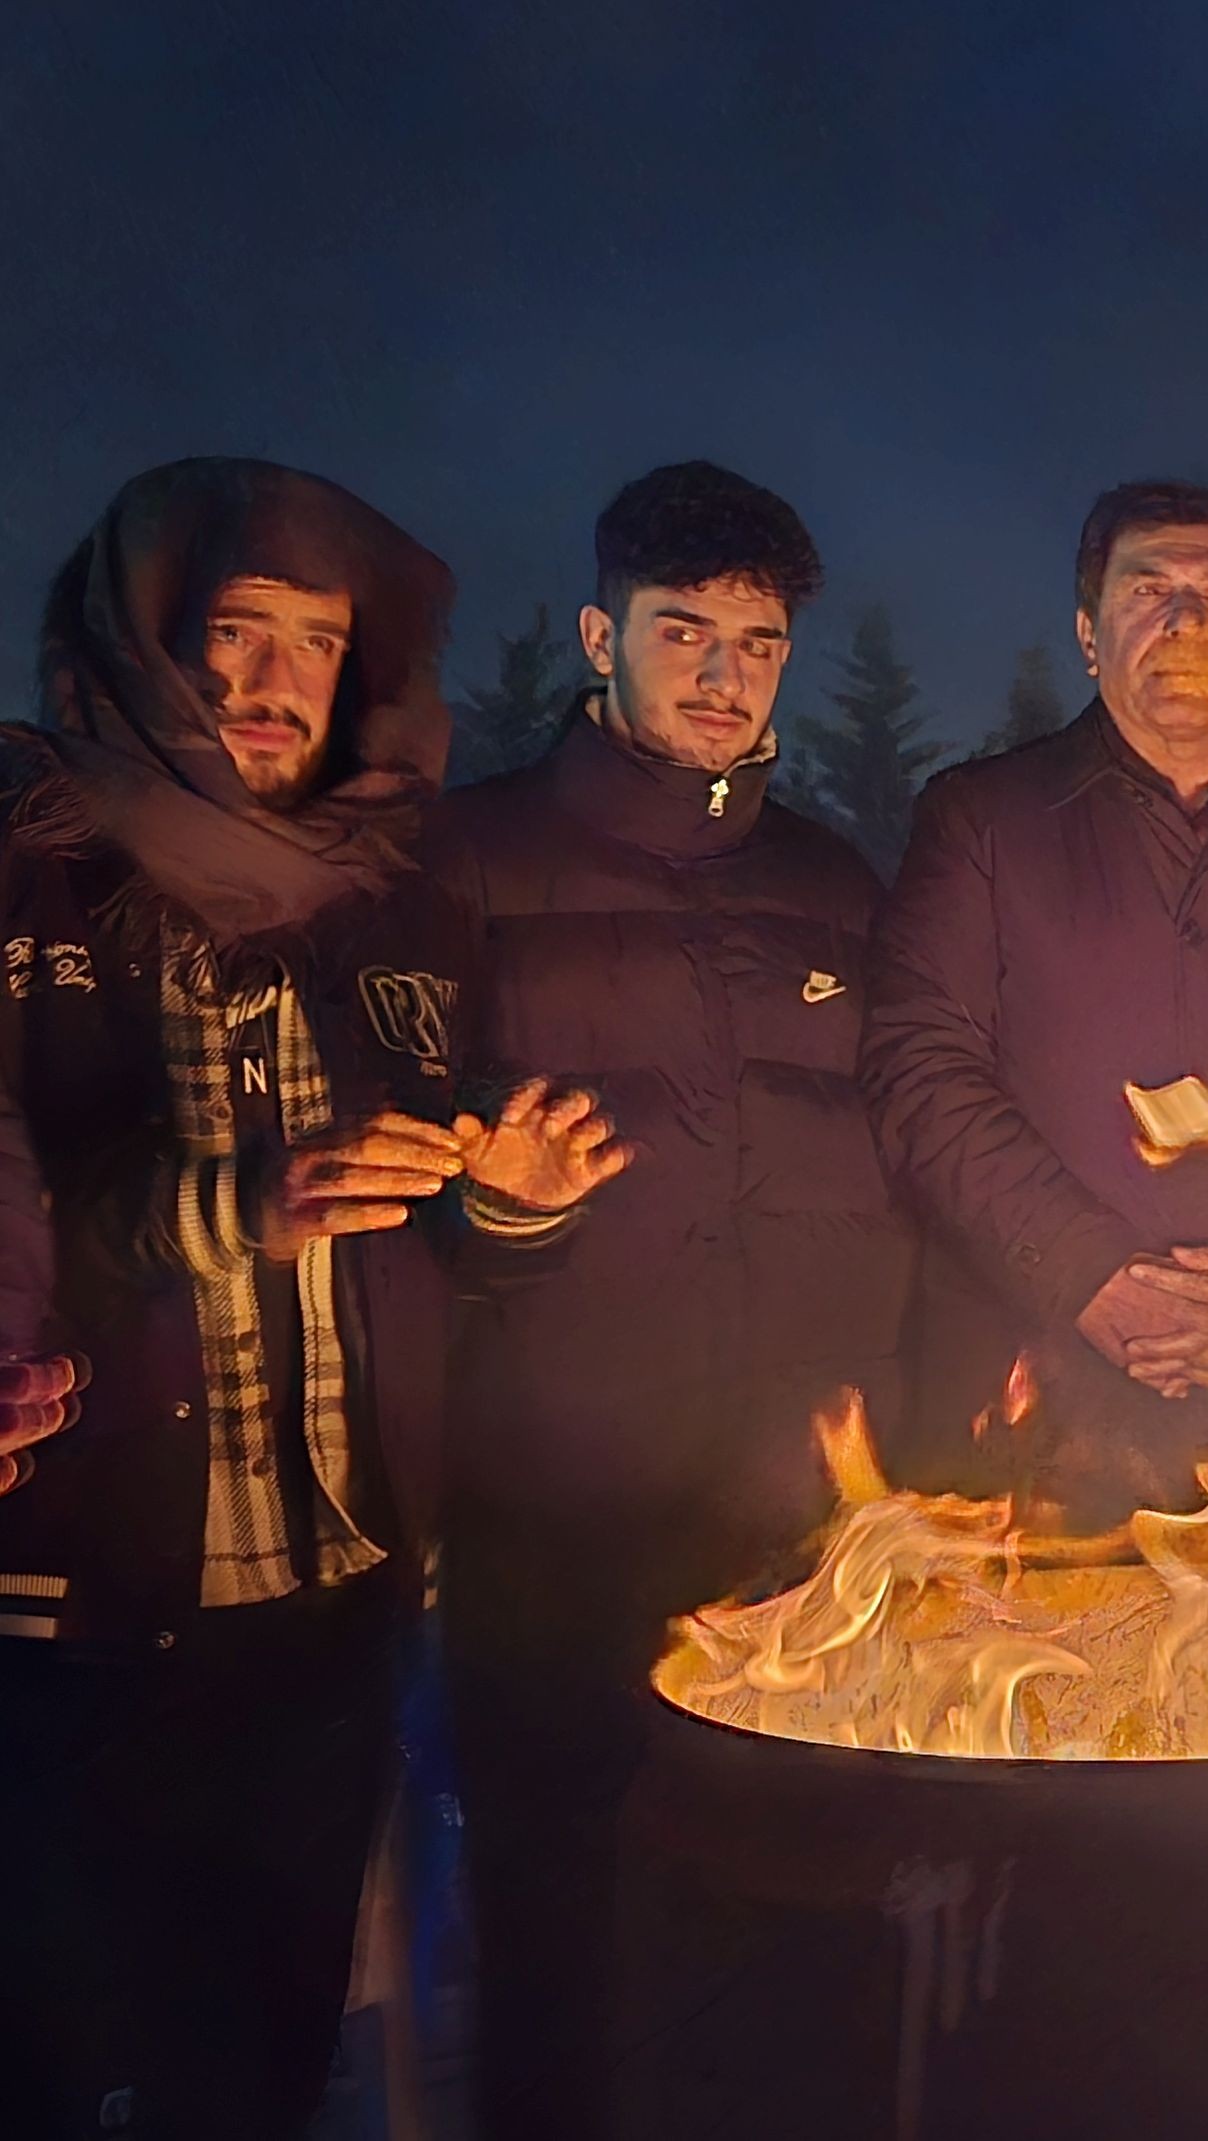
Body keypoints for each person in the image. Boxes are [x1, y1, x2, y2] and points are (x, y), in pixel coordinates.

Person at [0, 459, 623, 2140]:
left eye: (316, 643)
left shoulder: (393, 889)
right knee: (52, 2055)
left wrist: (510, 1197)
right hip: (82, 1599)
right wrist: (230, 1207)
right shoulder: (37, 862)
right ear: (143, 641)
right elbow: (27, 1200)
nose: (276, 682)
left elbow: (430, 1210)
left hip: (329, 1591)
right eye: (235, 631)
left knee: (261, 2060)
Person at [420, 462, 913, 2139]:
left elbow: (897, 1172)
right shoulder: (465, 864)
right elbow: (389, 1197)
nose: (721, 674)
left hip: (792, 1517)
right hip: (557, 1517)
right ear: (597, 635)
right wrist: (497, 1213)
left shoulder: (837, 888)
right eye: (682, 632)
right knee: (564, 1935)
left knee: (793, 1926)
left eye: (757, 644)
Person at [865, 481, 1208, 1527]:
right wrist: (1090, 1271)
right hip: (1027, 1410)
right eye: (1149, 590)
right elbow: (919, 1065)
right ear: (1090, 633)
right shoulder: (985, 821)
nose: (1184, 623)